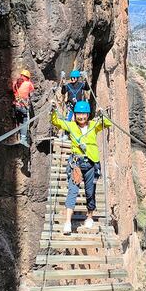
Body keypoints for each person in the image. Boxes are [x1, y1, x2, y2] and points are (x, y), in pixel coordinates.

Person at [51, 99, 112, 234]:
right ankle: (67, 222)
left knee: (90, 192)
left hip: (91, 164)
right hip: (77, 164)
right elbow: (57, 122)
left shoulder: (93, 125)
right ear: (75, 114)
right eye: (79, 113)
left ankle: (89, 217)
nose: (81, 116)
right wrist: (54, 110)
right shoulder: (71, 126)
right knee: (72, 192)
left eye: (84, 114)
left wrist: (102, 115)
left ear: (88, 115)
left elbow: (107, 124)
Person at [12, 68, 35, 147]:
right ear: (27, 77)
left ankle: (16, 135)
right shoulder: (28, 84)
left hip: (15, 106)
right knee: (24, 121)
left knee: (18, 120)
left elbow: (13, 90)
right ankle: (23, 139)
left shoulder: (15, 83)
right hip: (22, 106)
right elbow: (32, 90)